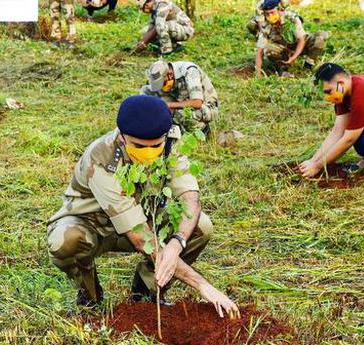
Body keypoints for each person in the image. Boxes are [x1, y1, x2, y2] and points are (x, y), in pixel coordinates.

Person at [47, 95, 240, 318]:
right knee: (65, 240)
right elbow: (141, 238)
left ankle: (145, 294)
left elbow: (191, 199)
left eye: (155, 146)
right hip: (93, 226)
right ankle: (90, 298)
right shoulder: (101, 157)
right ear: (121, 137)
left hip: (143, 220)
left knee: (201, 227)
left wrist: (177, 243)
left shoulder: (171, 142)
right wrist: (203, 286)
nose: (148, 153)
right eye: (138, 146)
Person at [140, 60, 218, 135]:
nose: (161, 86)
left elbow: (197, 103)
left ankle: (203, 132)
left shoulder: (190, 72)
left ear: (170, 75)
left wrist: (169, 105)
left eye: (162, 83)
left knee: (182, 115)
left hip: (206, 107)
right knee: (146, 91)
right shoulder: (162, 76)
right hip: (179, 101)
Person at [255, 0, 329, 77]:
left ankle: (308, 65)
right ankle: (282, 69)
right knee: (268, 49)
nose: (270, 16)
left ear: (279, 10)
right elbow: (259, 51)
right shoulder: (266, 26)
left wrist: (294, 57)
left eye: (272, 12)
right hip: (285, 49)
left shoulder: (291, 19)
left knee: (321, 36)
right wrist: (258, 74)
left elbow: (301, 39)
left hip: (300, 44)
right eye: (267, 14)